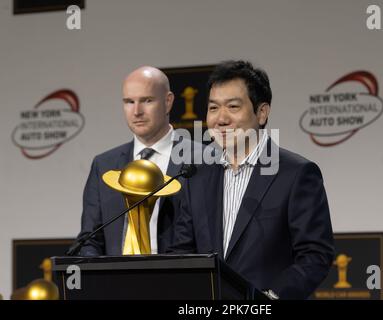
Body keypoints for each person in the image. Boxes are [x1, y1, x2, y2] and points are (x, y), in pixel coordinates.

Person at [169, 60, 335, 299]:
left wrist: (270, 297)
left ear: (262, 113)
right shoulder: (196, 175)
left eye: (233, 107)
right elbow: (181, 252)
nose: (221, 119)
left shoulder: (296, 174)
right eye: (213, 108)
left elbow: (315, 254)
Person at [76, 66, 200, 256]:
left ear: (168, 102)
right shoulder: (104, 164)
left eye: (147, 100)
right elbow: (90, 239)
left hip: (178, 279)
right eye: (129, 102)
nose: (136, 111)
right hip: (116, 282)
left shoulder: (200, 160)